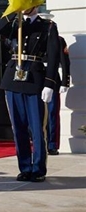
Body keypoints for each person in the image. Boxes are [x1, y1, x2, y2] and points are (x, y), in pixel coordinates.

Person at [0, 6, 59, 182]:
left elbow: (54, 57)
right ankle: (25, 167)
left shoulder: (48, 26)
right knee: (19, 128)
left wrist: (49, 84)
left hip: (34, 79)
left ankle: (38, 169)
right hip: (13, 78)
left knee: (38, 128)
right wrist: (12, 8)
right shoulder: (15, 24)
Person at [40, 12, 71, 156]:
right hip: (36, 76)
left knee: (52, 113)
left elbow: (64, 62)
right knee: (36, 113)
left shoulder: (59, 40)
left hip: (52, 78)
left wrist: (65, 81)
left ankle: (52, 144)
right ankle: (39, 141)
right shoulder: (35, 37)